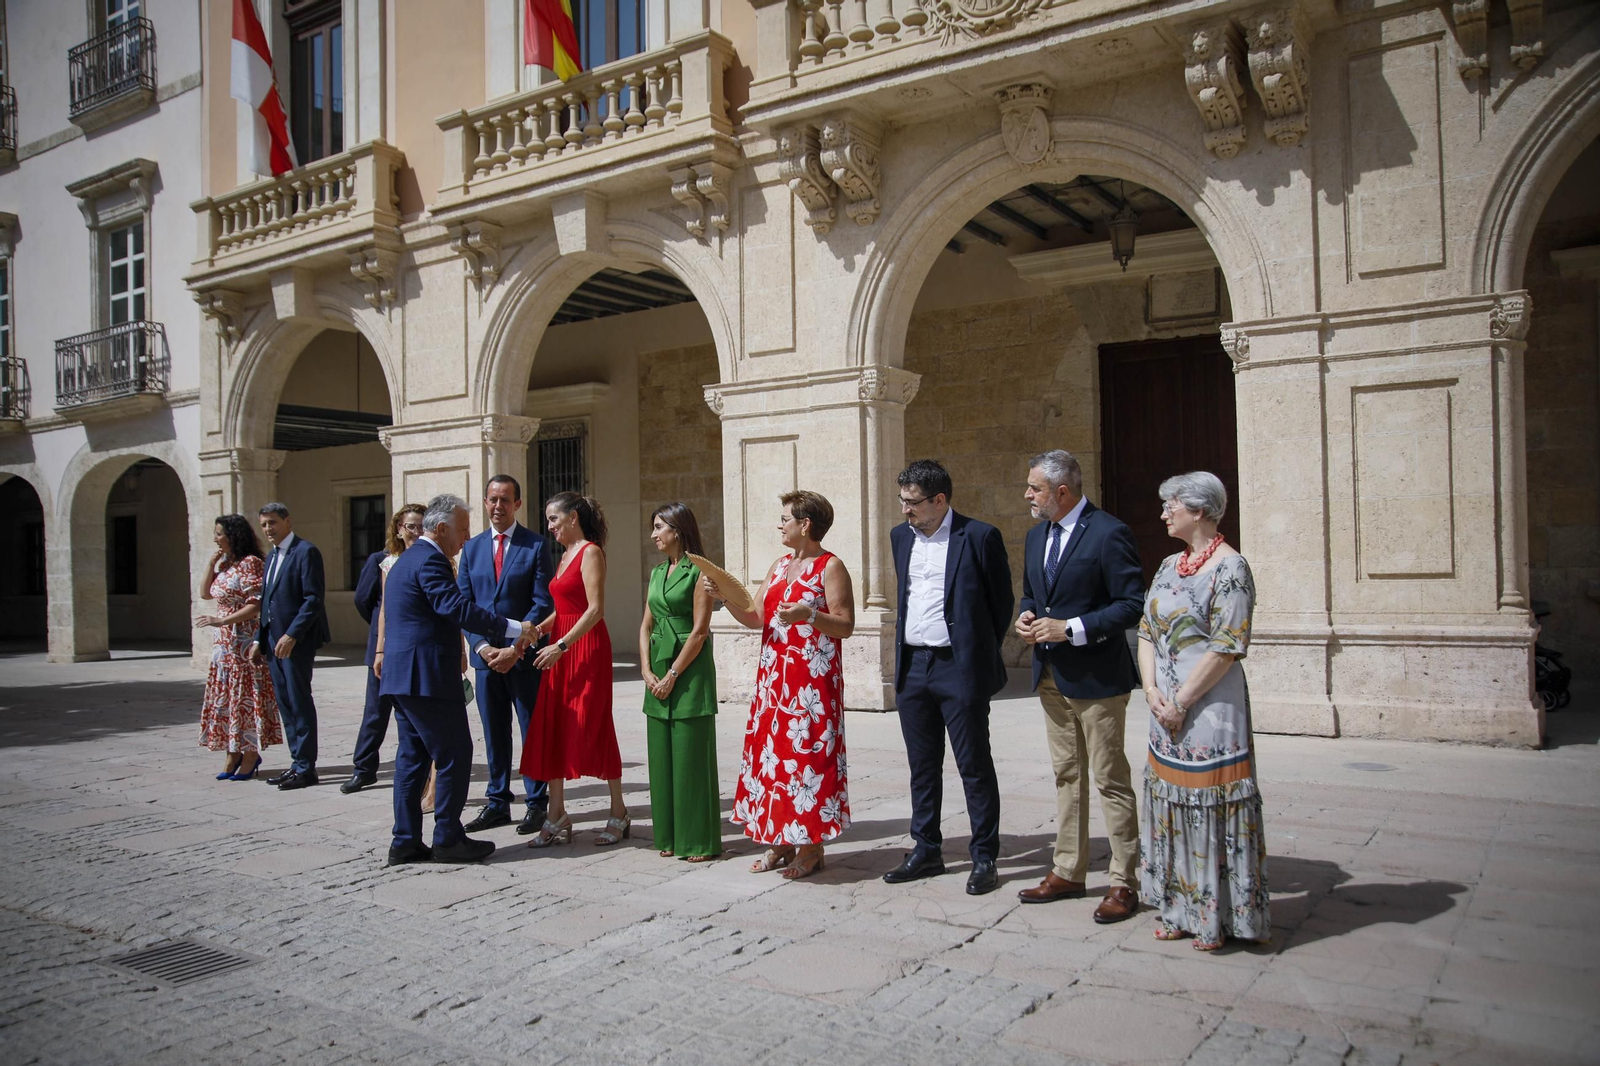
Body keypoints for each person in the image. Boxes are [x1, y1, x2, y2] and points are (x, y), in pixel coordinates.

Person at [1137, 471, 1267, 951]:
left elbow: (1227, 646)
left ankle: (1218, 917)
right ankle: (1177, 906)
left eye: (1171, 503)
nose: (1164, 511)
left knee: (1211, 808)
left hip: (1209, 710)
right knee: (1171, 805)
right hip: (1164, 708)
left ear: (1200, 509)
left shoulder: (1232, 569)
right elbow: (1147, 629)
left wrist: (1181, 702)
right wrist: (1151, 691)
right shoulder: (1171, 564)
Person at [1014, 450, 1144, 923]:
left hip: (1096, 678)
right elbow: (1034, 592)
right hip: (1049, 675)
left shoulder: (1110, 533)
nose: (1027, 494)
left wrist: (1071, 628)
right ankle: (1068, 869)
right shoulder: (1035, 537)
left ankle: (1124, 881)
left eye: (1034, 487)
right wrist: (1028, 615)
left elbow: (1131, 604)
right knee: (1067, 776)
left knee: (1110, 778)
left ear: (1061, 491)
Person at [379, 493, 536, 865]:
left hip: (404, 678)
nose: (467, 538)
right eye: (463, 529)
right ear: (443, 528)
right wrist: (514, 628)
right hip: (427, 676)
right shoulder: (430, 560)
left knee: (413, 758)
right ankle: (448, 838)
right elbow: (455, 607)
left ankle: (405, 840)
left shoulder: (407, 559)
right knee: (453, 753)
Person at [884, 460, 1013, 895]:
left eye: (913, 502)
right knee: (922, 767)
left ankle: (984, 856)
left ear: (940, 500)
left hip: (958, 667)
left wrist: (975, 656)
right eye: (902, 501)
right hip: (913, 667)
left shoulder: (979, 537)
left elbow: (1000, 605)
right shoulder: (900, 538)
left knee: (973, 764)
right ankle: (926, 849)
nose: (905, 510)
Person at [715, 490, 854, 882]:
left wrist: (809, 615)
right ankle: (781, 839)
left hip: (811, 683)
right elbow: (758, 616)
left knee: (808, 761)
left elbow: (845, 624)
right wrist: (725, 598)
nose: (780, 525)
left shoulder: (831, 566)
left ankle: (811, 847)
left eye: (785, 519)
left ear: (805, 524)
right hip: (775, 681)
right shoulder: (778, 566)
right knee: (773, 760)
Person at [519, 493, 626, 847]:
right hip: (560, 648)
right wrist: (537, 629)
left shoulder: (590, 552)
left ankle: (619, 811)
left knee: (594, 724)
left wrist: (561, 645)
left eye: (553, 519)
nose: (549, 527)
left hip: (585, 649)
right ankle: (557, 814)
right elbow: (564, 608)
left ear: (573, 518)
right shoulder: (564, 555)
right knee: (554, 724)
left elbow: (595, 609)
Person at [457, 475, 553, 834]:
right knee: (494, 732)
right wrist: (482, 647)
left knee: (531, 730)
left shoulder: (535, 546)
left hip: (523, 658)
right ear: (485, 502)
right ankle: (497, 801)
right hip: (486, 660)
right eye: (493, 499)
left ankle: (536, 802)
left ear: (517, 503)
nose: (498, 506)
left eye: (505, 500)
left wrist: (516, 647)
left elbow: (542, 601)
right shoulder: (472, 548)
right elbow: (463, 604)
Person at [639, 503, 719, 862]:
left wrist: (673, 675)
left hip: (689, 671)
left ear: (678, 529)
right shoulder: (657, 573)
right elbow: (646, 624)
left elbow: (700, 631)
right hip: (656, 667)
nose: (654, 534)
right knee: (661, 759)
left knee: (690, 757)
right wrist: (645, 669)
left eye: (660, 527)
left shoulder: (700, 572)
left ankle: (698, 840)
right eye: (653, 527)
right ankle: (669, 837)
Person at [342, 504, 426, 795]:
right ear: (399, 529)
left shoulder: (431, 560)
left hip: (413, 652)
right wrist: (381, 637)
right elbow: (364, 600)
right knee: (375, 714)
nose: (415, 532)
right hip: (382, 649)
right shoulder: (383, 560)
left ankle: (418, 771)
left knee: (412, 718)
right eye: (410, 526)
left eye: (421, 526)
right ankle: (363, 769)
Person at [195, 514, 283, 781]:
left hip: (243, 642)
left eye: (219, 533)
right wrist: (211, 564)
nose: (215, 538)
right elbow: (205, 593)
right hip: (223, 645)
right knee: (228, 700)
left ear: (233, 535)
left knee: (245, 700)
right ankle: (232, 752)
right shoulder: (227, 564)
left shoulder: (251, 563)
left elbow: (256, 604)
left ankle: (251, 753)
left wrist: (221, 619)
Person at [250, 502, 330, 791]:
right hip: (273, 641)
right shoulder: (271, 556)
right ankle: (296, 762)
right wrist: (260, 639)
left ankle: (307, 767)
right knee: (285, 703)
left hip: (295, 642)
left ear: (287, 521)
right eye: (264, 525)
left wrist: (292, 634)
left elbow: (313, 599)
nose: (268, 529)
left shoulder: (305, 552)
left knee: (299, 701)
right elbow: (266, 600)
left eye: (272, 522)